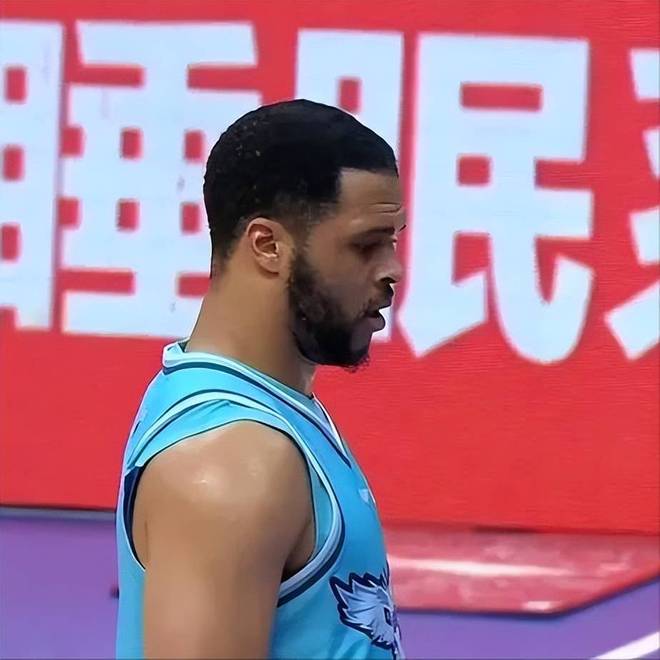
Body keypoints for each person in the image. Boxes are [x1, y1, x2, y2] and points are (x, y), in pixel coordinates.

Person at [115, 99, 406, 659]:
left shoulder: (272, 412)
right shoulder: (233, 461)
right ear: (268, 246)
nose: (392, 269)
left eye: (392, 241)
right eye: (366, 245)